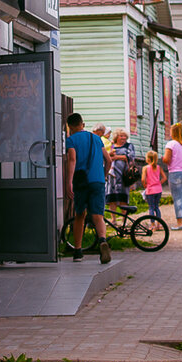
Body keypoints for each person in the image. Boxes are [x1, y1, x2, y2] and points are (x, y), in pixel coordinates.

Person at [65, 112, 111, 262]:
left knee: (80, 215)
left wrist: (69, 182)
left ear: (69, 126)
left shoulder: (71, 140)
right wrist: (103, 175)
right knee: (98, 215)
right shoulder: (97, 139)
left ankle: (77, 251)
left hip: (81, 181)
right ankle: (103, 241)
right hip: (97, 180)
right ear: (82, 124)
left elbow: (72, 160)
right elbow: (108, 160)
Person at [163, 121, 182, 230]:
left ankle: (179, 223)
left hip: (175, 173)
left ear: (173, 133)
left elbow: (166, 159)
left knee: (177, 198)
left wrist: (163, 159)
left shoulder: (171, 144)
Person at [105, 128, 135, 212]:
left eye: (125, 136)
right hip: (112, 175)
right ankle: (113, 220)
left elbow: (131, 157)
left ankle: (123, 220)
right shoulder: (111, 145)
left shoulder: (129, 146)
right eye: (121, 136)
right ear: (116, 137)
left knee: (123, 197)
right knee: (112, 198)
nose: (123, 138)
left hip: (124, 174)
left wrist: (116, 157)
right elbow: (107, 155)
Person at [141, 149, 163, 218]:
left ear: (148, 159)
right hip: (158, 190)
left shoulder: (145, 168)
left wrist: (144, 184)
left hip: (150, 190)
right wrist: (159, 183)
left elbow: (143, 179)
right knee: (156, 207)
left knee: (151, 207)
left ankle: (153, 224)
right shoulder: (159, 167)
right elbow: (165, 177)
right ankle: (159, 224)